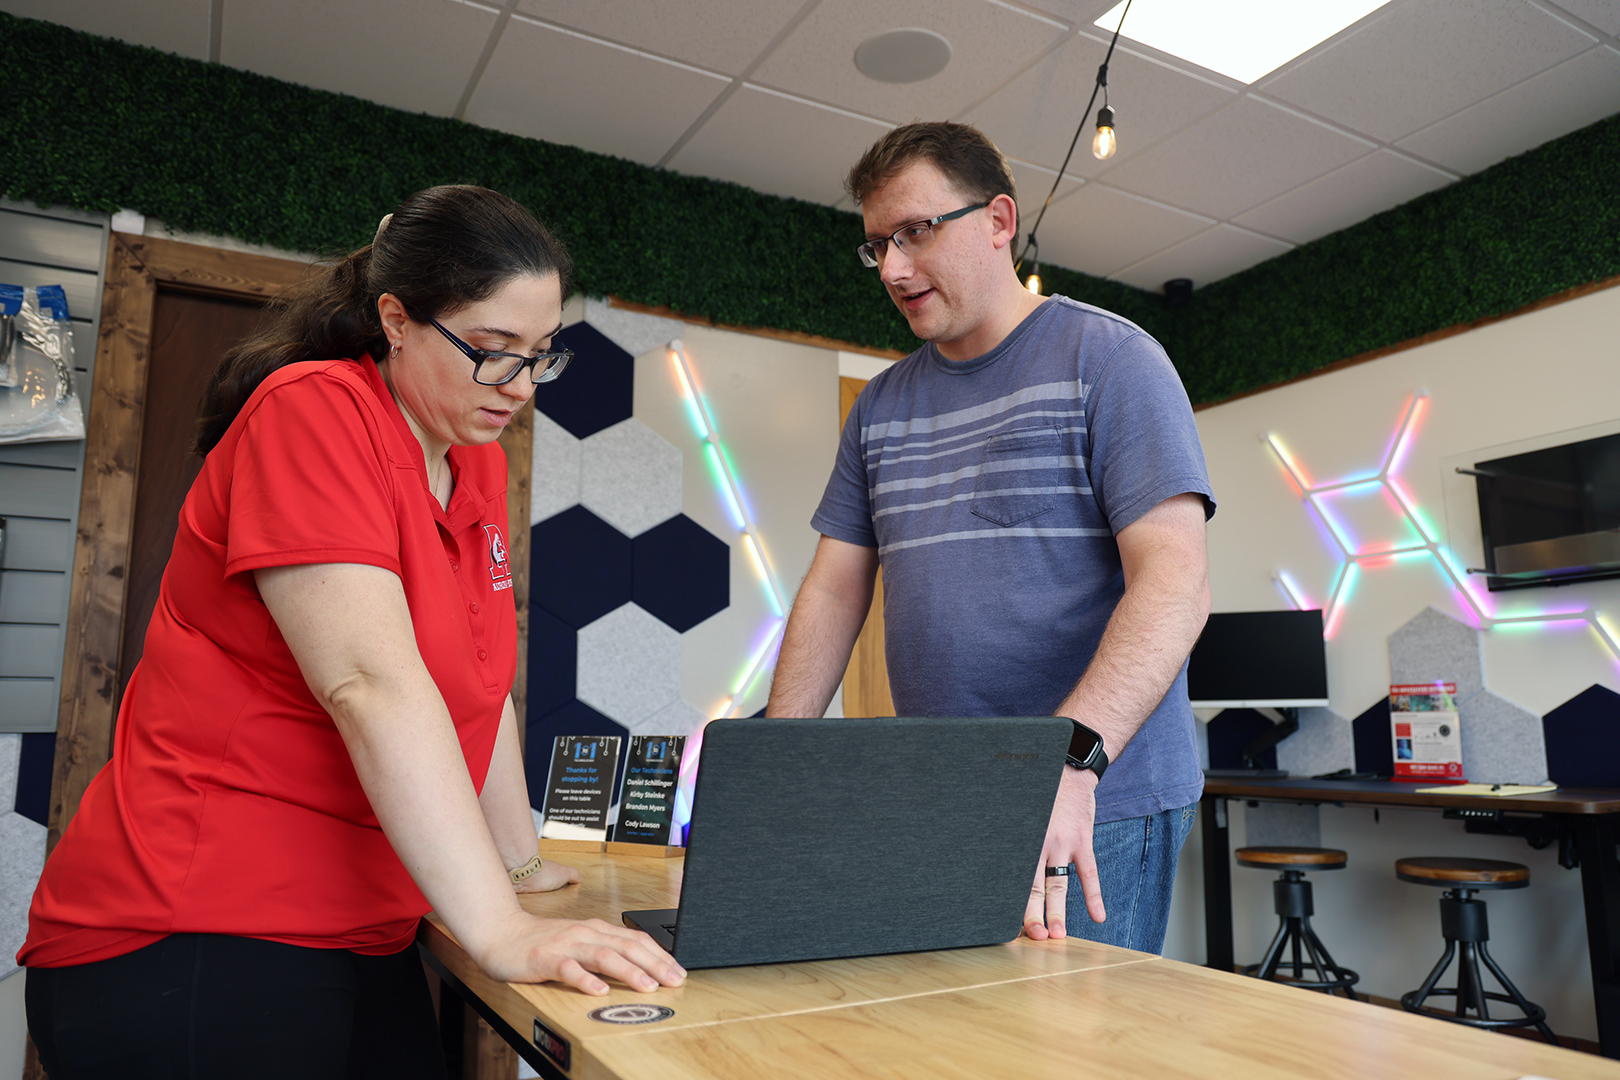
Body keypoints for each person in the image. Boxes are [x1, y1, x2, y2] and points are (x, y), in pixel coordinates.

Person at [20, 185, 684, 1080]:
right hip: (193, 924)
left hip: (362, 929)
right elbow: (370, 684)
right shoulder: (315, 411)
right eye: (492, 352)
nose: (522, 388)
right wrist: (497, 928)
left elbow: (480, 691)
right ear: (396, 319)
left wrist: (519, 865)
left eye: (541, 355)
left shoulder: (471, 465)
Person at [765, 123, 1215, 954]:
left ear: (1000, 220)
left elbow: (1176, 584)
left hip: (1091, 795)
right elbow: (834, 589)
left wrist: (1069, 763)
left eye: (915, 232)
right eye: (877, 246)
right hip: (947, 796)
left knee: (1067, 1050)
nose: (894, 268)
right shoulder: (880, 407)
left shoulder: (1113, 360)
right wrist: (776, 763)